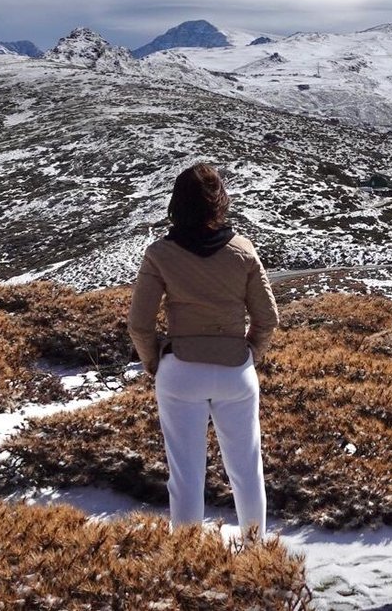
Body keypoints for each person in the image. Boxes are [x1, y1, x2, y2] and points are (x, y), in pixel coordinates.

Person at [128, 162, 279, 538]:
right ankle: (257, 551)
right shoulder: (243, 250)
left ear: (176, 204)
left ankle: (188, 559)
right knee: (247, 470)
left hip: (180, 371)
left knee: (186, 475)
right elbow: (268, 318)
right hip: (236, 372)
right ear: (219, 203)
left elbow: (139, 323)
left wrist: (154, 363)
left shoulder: (160, 253)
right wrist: (249, 355)